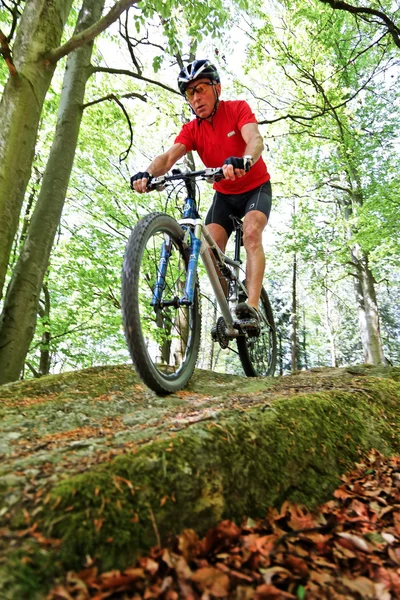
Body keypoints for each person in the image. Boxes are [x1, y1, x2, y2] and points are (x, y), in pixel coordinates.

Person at [131, 59, 272, 323]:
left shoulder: (237, 109)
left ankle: (252, 308)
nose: (195, 98)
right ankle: (231, 305)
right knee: (210, 250)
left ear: (216, 88)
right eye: (189, 93)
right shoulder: (192, 129)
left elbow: (255, 139)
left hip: (255, 188)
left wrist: (245, 160)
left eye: (201, 89)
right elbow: (169, 157)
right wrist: (148, 174)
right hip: (225, 196)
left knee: (252, 233)